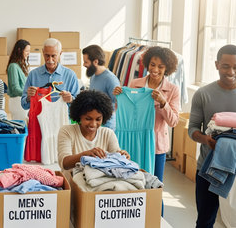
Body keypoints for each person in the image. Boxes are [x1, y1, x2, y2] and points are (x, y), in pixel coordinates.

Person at [188, 44, 236, 228]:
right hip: (208, 168)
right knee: (205, 220)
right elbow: (192, 128)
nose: (231, 71)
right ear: (217, 64)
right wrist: (206, 140)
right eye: (226, 66)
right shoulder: (203, 94)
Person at [113, 46, 180, 183]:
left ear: (167, 68)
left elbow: (173, 122)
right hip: (134, 142)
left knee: (154, 185)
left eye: (160, 67)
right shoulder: (135, 83)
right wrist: (118, 97)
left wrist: (163, 103)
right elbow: (126, 111)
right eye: (152, 65)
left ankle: (157, 206)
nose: (155, 70)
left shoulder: (173, 90)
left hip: (157, 146)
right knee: (132, 182)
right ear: (147, 64)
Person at [58, 90, 129, 171]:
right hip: (72, 181)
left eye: (98, 119)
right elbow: (64, 163)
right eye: (88, 119)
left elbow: (116, 156)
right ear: (79, 116)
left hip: (98, 181)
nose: (93, 124)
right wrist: (85, 155)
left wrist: (122, 155)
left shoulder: (108, 133)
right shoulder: (67, 131)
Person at [21, 38, 79, 109]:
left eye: (53, 56)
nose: (50, 60)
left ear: (60, 53)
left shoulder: (70, 75)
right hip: (38, 119)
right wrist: (29, 98)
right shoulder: (33, 75)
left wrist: (71, 100)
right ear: (43, 52)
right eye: (47, 56)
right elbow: (24, 105)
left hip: (62, 119)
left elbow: (79, 106)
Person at [82, 44, 120, 130]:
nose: (84, 64)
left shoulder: (110, 79)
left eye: (86, 62)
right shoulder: (93, 77)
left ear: (95, 62)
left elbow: (119, 103)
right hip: (95, 125)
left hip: (108, 127)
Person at [6, 39, 30, 121]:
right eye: (26, 51)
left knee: (25, 126)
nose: (28, 53)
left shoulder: (21, 67)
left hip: (23, 100)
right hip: (17, 101)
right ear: (19, 50)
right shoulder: (13, 66)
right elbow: (15, 89)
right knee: (19, 127)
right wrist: (29, 93)